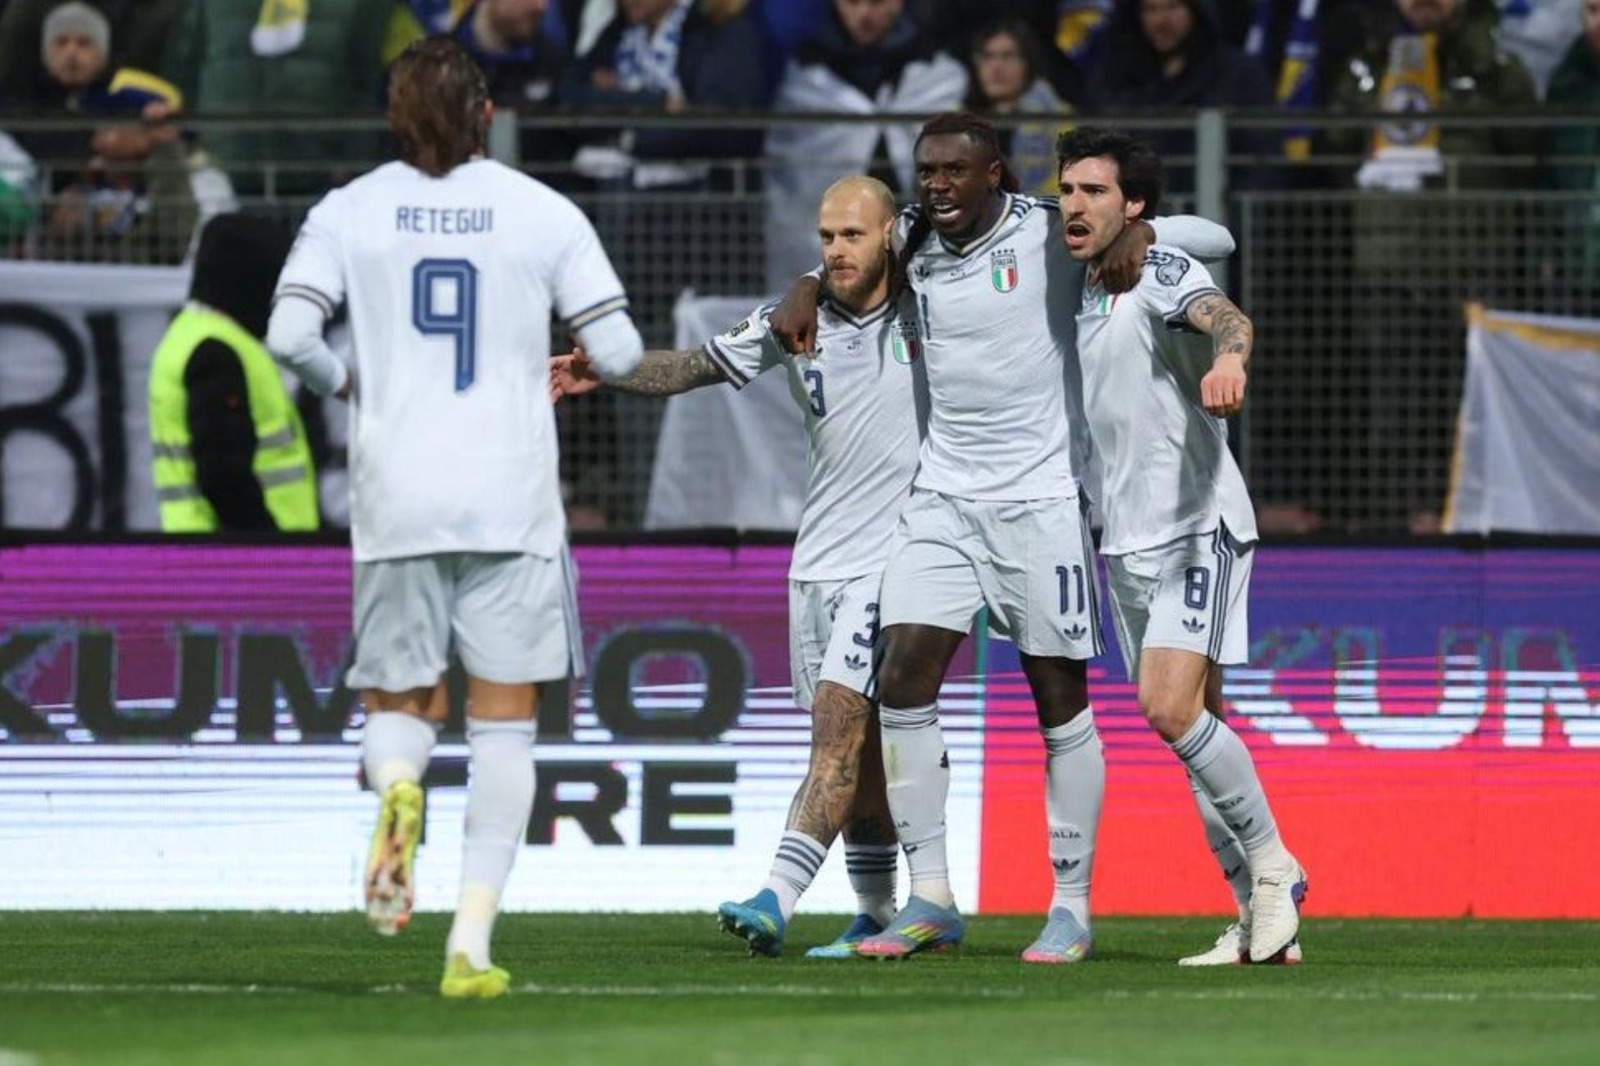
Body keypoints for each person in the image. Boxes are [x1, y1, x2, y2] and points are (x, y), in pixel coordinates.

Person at [769, 111, 1235, 962]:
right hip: (941, 499)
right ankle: (932, 897)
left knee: (1059, 701)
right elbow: (851, 257)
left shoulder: (1050, 229)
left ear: (995, 174)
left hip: (1042, 500)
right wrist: (804, 285)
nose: (938, 185)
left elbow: (1219, 238)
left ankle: (1072, 906)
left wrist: (1143, 231)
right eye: (927, 171)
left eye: (956, 171)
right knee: (902, 677)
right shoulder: (913, 237)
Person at [264, 35, 643, 998]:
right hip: (510, 499)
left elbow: (289, 334)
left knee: (400, 703)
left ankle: (399, 788)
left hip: (398, 496)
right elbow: (621, 351)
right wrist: (584, 365)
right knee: (505, 727)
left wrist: (347, 381)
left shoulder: (348, 210)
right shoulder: (542, 210)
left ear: (394, 120)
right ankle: (469, 945)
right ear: (486, 115)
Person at [551, 175, 923, 958]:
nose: (836, 250)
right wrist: (606, 371)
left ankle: (774, 898)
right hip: (817, 558)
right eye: (826, 237)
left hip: (897, 558)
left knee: (837, 729)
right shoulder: (795, 322)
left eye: (853, 235)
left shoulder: (931, 306)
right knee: (861, 758)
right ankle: (877, 910)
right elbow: (692, 366)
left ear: (891, 233)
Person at [1058, 127, 1307, 965]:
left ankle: (1274, 869)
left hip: (1197, 525)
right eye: (1067, 190)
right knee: (1199, 732)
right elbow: (1213, 232)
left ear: (1131, 203)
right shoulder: (1083, 279)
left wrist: (1230, 358)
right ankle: (1256, 923)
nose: (1073, 205)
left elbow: (1224, 312)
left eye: (1095, 191)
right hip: (1124, 540)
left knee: (1167, 708)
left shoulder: (1157, 269)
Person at [149, 213, 318, 532]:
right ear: (250, 281)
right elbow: (223, 475)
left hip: (209, 548)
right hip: (241, 555)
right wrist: (268, 544)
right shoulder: (217, 352)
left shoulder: (193, 336)